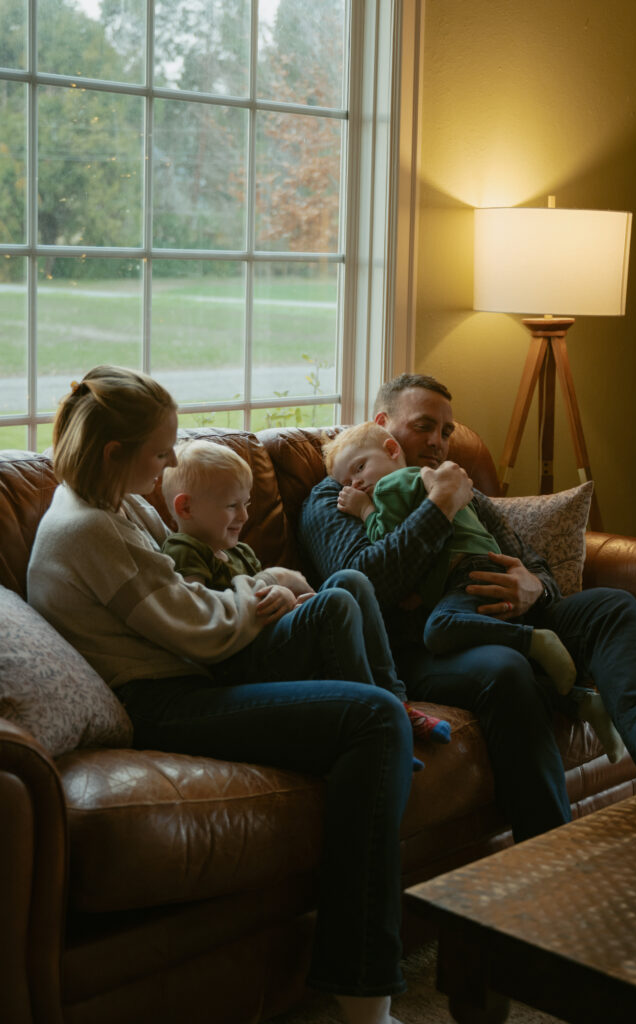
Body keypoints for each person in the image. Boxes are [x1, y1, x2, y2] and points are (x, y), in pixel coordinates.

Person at [27, 365, 410, 1024]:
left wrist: (265, 588)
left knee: (341, 599)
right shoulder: (86, 529)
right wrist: (257, 593)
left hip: (190, 676)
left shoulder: (116, 505)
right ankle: (363, 994)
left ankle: (386, 740)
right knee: (373, 720)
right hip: (160, 703)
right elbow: (196, 626)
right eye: (159, 452)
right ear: (115, 452)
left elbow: (185, 592)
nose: (168, 464)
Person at [299, 372, 636, 842]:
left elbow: (529, 557)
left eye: (446, 431)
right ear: (384, 427)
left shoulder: (459, 485)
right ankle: (549, 847)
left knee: (610, 607)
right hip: (427, 644)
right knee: (506, 669)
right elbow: (363, 582)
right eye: (423, 426)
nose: (437, 442)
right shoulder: (340, 493)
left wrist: (534, 586)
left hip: (504, 613)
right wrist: (440, 505)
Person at [322, 420, 625, 764]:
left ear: (392, 450)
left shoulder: (391, 486)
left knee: (440, 628)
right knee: (500, 660)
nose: (355, 483)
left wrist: (364, 509)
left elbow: (386, 539)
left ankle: (533, 640)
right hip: (473, 576)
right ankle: (582, 700)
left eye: (360, 468)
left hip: (469, 576)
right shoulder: (429, 482)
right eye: (346, 482)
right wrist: (423, 594)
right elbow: (418, 554)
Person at [159, 437, 451, 748]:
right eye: (232, 506)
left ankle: (396, 700)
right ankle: (376, 719)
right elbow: (200, 612)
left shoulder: (240, 552)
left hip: (266, 643)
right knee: (334, 602)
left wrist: (294, 608)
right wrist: (272, 597)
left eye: (246, 504)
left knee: (351, 580)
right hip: (237, 664)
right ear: (185, 507)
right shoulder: (183, 549)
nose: (244, 516)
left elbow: (265, 605)